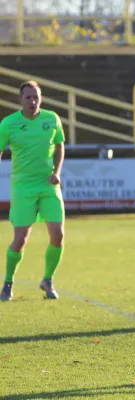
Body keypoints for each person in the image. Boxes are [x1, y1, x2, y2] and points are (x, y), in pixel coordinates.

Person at [0, 81, 66, 302]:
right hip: (23, 188)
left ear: (41, 98)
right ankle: (8, 283)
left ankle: (47, 279)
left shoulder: (52, 119)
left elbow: (59, 146)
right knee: (20, 240)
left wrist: (57, 171)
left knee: (58, 235)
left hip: (48, 186)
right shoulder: (9, 124)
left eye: (36, 97)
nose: (32, 101)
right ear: (21, 100)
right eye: (28, 97)